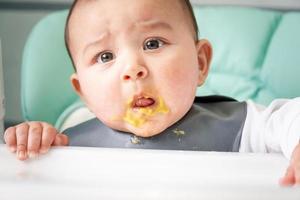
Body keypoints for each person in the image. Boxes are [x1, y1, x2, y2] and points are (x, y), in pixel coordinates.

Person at [3, 0, 300, 185]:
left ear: (200, 63)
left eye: (152, 44)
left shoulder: (243, 126)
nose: (133, 68)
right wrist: (36, 143)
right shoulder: (69, 142)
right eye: (105, 57)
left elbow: (290, 117)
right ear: (84, 92)